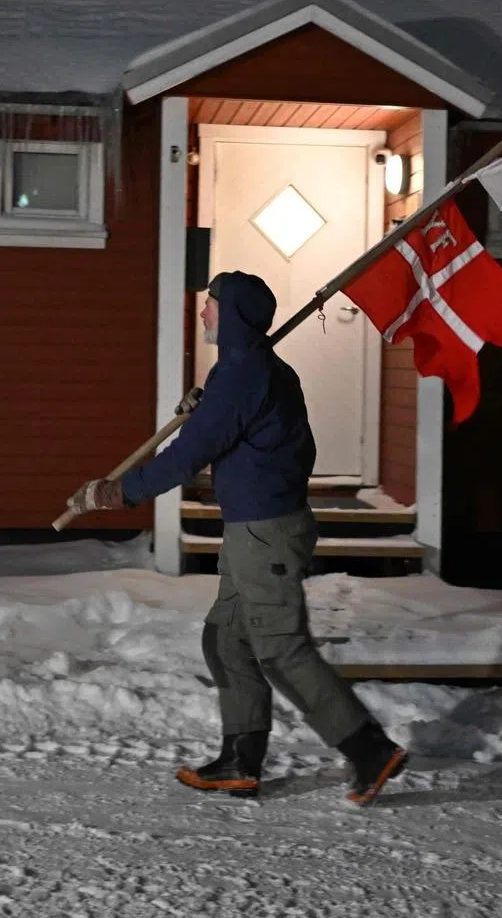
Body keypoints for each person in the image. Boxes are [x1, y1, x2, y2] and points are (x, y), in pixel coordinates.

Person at [69, 270, 408, 805]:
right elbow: (245, 438)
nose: (203, 313)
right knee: (226, 641)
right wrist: (203, 417)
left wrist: (117, 493)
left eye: (210, 305)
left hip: (264, 533)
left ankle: (369, 750)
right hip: (256, 530)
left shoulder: (242, 376)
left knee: (280, 649)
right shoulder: (259, 372)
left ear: (233, 316)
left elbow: (186, 458)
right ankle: (240, 761)